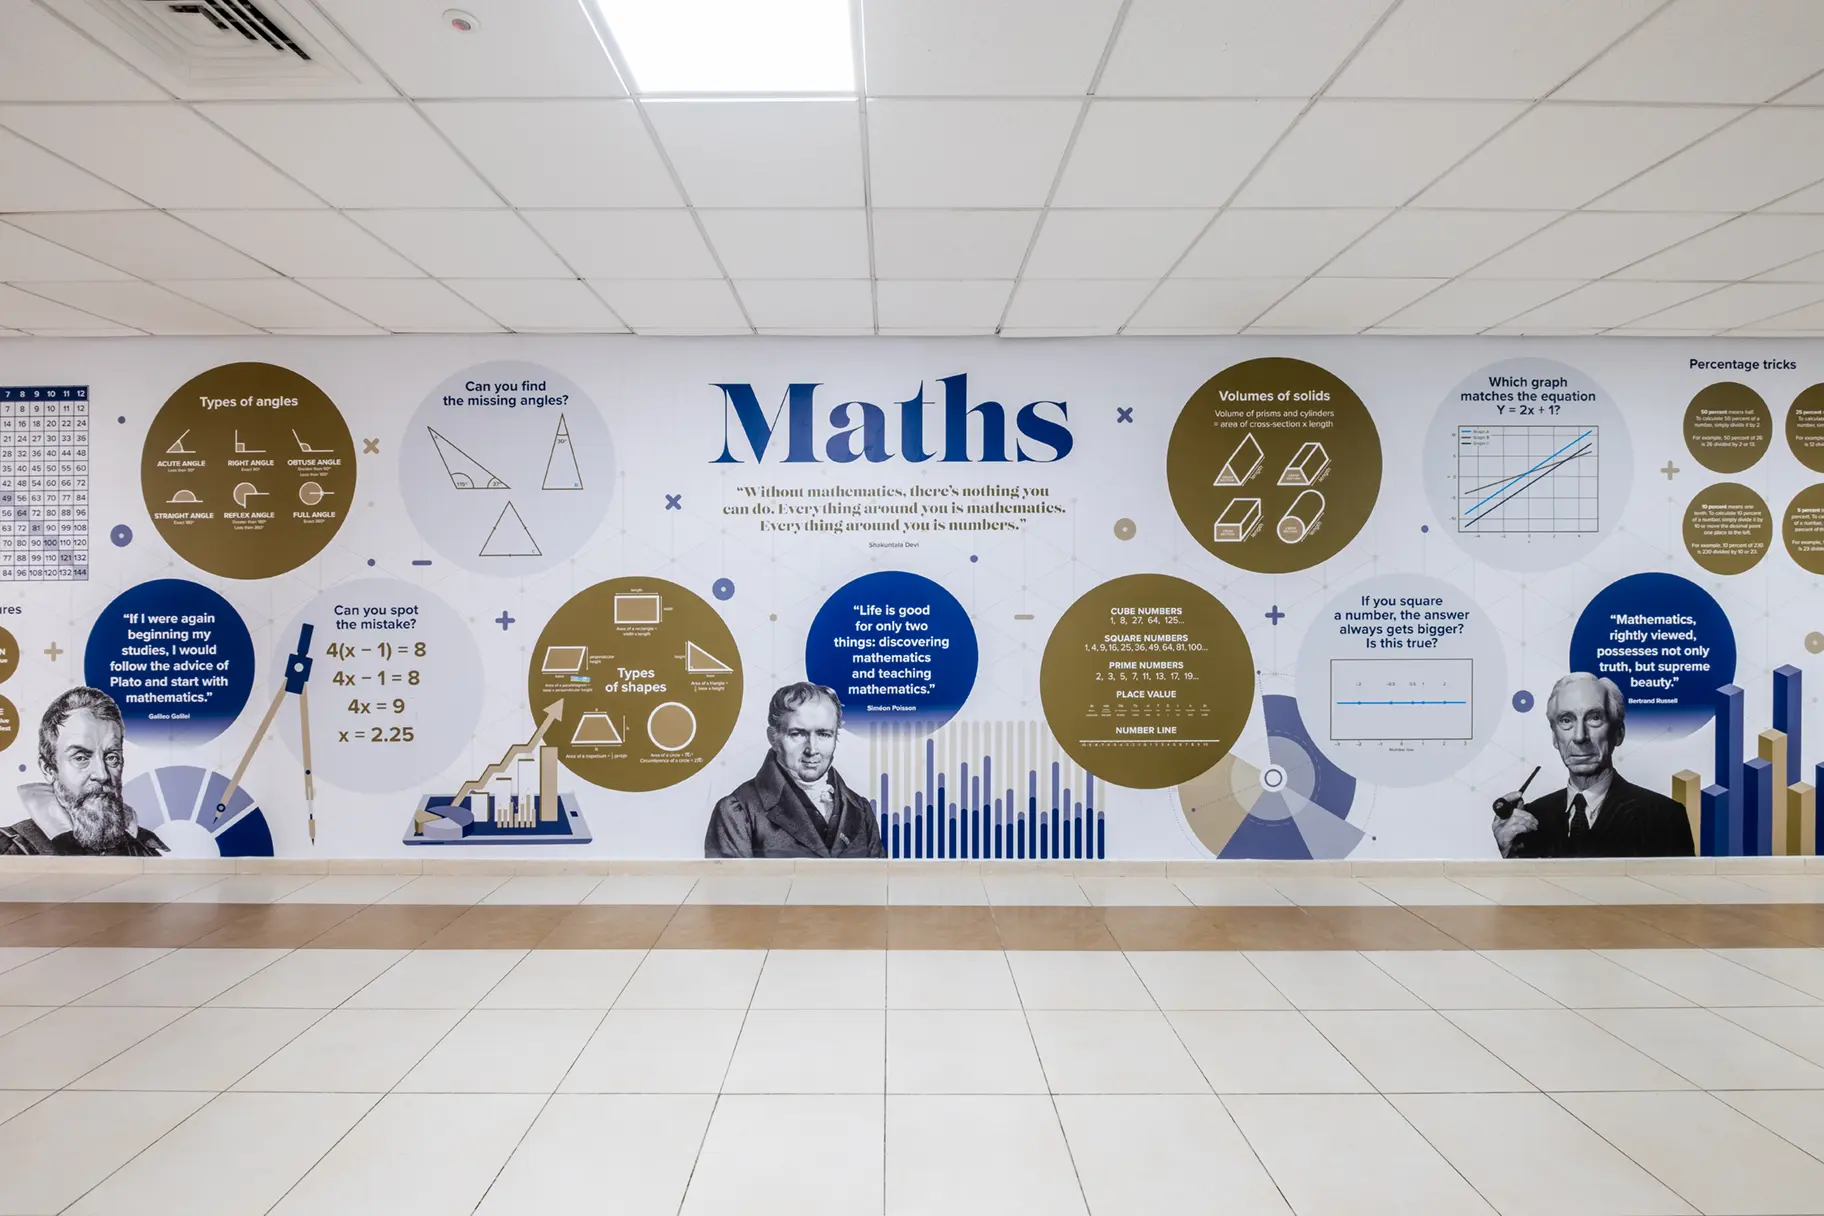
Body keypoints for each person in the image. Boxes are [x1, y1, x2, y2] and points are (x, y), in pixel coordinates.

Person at [1492, 672, 1694, 858]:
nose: (1580, 736)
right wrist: (1509, 856)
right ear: (1555, 737)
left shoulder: (1664, 818)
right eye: (1566, 720)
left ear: (1618, 733)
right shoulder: (1529, 821)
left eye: (1594, 718)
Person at [705, 681, 885, 859]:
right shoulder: (738, 811)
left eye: (823, 734)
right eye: (797, 734)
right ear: (773, 738)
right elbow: (726, 879)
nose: (812, 749)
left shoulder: (860, 810)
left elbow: (879, 876)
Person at [1, 687, 166, 857]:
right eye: (81, 758)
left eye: (111, 757)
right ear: (48, 769)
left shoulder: (145, 851)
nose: (102, 775)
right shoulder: (10, 851)